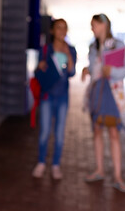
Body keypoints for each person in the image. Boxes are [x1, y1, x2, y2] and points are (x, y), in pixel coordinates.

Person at [81, 13, 125, 192]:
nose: (92, 28)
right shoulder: (92, 47)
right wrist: (87, 69)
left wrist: (112, 70)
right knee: (96, 130)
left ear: (103, 25)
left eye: (94, 24)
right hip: (96, 91)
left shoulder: (118, 45)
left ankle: (118, 177)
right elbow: (94, 67)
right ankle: (99, 170)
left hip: (111, 91)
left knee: (113, 132)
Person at [32, 19, 77, 179]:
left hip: (63, 97)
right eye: (59, 28)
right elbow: (37, 71)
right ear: (52, 31)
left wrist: (67, 55)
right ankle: (41, 162)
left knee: (59, 133)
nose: (62, 31)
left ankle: (56, 165)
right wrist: (40, 66)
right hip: (47, 96)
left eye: (65, 28)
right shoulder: (45, 50)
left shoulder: (71, 49)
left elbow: (71, 73)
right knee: (44, 132)